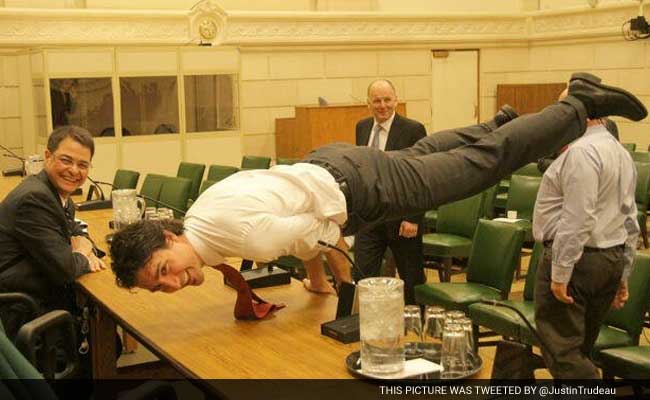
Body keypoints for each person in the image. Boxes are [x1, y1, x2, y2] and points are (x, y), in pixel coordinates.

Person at [110, 72, 647, 297]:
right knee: (430, 150)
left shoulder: (244, 242)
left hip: (361, 189)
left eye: (164, 271)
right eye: (160, 287)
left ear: (168, 239)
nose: (172, 284)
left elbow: (320, 235)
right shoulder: (204, 214)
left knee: (485, 165)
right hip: (333, 162)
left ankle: (579, 103)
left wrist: (324, 255)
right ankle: (498, 120)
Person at [532, 86, 639, 379]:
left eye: (562, 108)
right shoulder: (619, 151)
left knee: (564, 355)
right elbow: (631, 220)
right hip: (609, 260)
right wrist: (623, 273)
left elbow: (577, 218)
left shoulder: (581, 152)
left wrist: (561, 271)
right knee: (580, 351)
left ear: (579, 112)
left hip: (577, 262)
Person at [0, 125, 105, 340]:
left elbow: (75, 230)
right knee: (103, 340)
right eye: (66, 160)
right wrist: (82, 256)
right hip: (24, 313)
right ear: (47, 156)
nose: (74, 171)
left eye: (83, 165)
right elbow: (65, 269)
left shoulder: (54, 193)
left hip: (38, 299)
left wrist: (83, 244)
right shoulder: (35, 199)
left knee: (105, 337)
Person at [353, 79, 427, 304]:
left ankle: (416, 323)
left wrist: (413, 217)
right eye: (377, 100)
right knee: (362, 273)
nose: (382, 105)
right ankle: (366, 318)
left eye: (387, 100)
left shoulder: (413, 129)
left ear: (396, 100)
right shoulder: (362, 127)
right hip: (369, 218)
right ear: (368, 103)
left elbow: (421, 175)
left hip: (402, 217)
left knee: (411, 277)